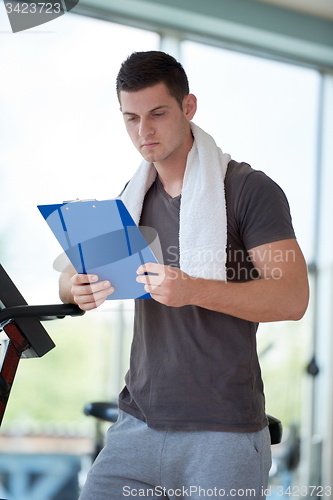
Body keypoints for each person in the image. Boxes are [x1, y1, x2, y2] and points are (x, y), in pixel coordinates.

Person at [59, 51, 309, 499]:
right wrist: (74, 287)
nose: (144, 131)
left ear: (188, 107)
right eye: (130, 118)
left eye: (157, 114)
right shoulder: (131, 197)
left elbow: (291, 298)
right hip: (135, 426)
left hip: (223, 433)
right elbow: (75, 276)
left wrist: (193, 289)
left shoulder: (250, 190)